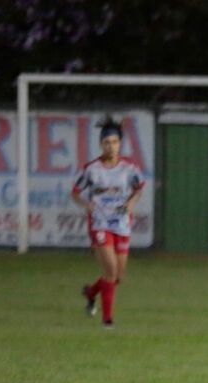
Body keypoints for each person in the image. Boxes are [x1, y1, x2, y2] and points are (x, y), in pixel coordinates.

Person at [73, 115, 145, 329]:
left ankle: (91, 292)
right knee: (111, 271)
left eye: (114, 142)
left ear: (120, 144)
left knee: (118, 277)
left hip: (121, 223)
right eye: (106, 142)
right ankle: (107, 320)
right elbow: (76, 192)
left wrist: (132, 202)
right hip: (100, 224)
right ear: (100, 144)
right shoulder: (92, 169)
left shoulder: (129, 168)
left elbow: (139, 188)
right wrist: (87, 205)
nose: (110, 146)